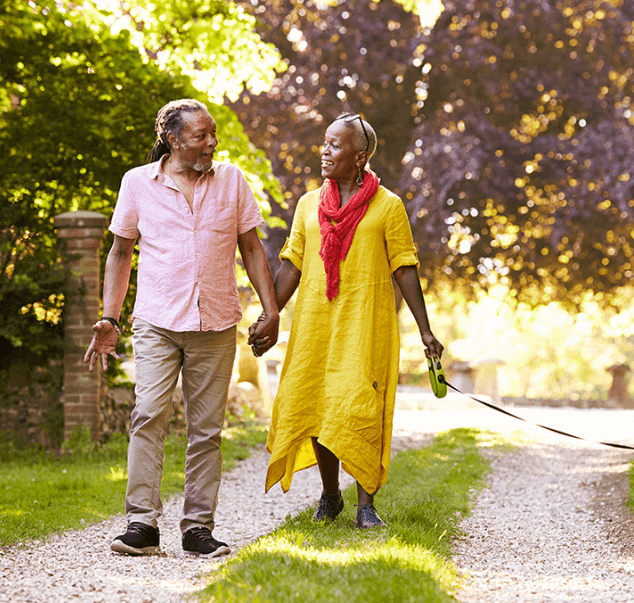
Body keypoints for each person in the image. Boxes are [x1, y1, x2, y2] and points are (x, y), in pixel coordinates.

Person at [84, 99, 279, 557]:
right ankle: (141, 524)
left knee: (206, 430)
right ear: (174, 140)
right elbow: (119, 253)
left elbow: (252, 248)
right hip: (157, 321)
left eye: (213, 134)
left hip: (216, 322)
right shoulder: (137, 183)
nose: (212, 142)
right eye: (201, 136)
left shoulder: (232, 180)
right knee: (148, 414)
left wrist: (271, 309)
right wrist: (110, 317)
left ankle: (197, 528)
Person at [249, 113, 443, 528]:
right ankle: (331, 494)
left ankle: (365, 504)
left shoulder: (387, 206)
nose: (324, 151)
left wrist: (425, 331)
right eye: (325, 143)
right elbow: (292, 265)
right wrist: (270, 314)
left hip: (364, 323)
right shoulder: (308, 205)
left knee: (360, 405)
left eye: (334, 145)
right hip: (316, 322)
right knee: (318, 405)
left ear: (359, 157)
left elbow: (405, 267)